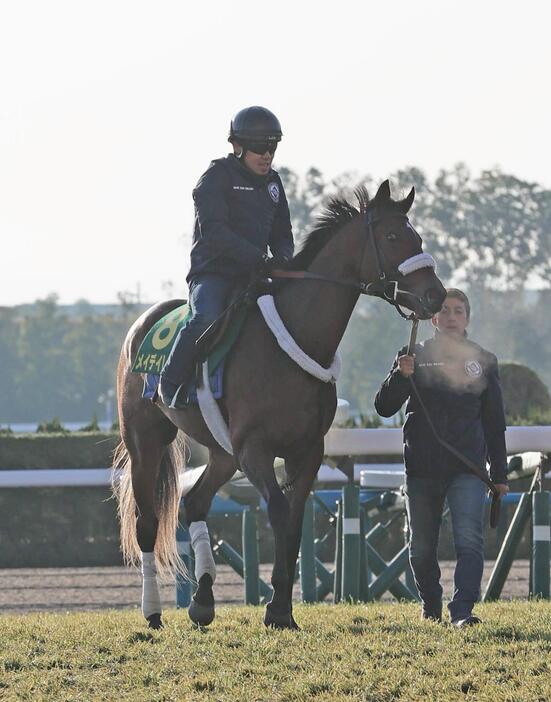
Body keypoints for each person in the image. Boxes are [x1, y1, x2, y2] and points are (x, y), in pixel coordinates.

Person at [374, 288, 509, 626]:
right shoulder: (411, 354)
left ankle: (463, 611)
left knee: (469, 542)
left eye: (458, 311)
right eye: (445, 311)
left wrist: (500, 474)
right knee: (420, 548)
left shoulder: (485, 361)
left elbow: (495, 424)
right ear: (433, 317)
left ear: (467, 318)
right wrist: (399, 376)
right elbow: (384, 406)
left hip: (468, 468)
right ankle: (431, 605)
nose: (451, 317)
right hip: (421, 466)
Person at [159, 106, 294, 407]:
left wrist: (284, 258)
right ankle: (169, 383)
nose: (267, 155)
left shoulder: (274, 183)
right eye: (260, 147)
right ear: (237, 146)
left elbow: (283, 234)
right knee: (206, 316)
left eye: (272, 147)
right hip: (213, 274)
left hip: (256, 275)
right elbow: (215, 233)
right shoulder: (216, 177)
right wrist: (258, 258)